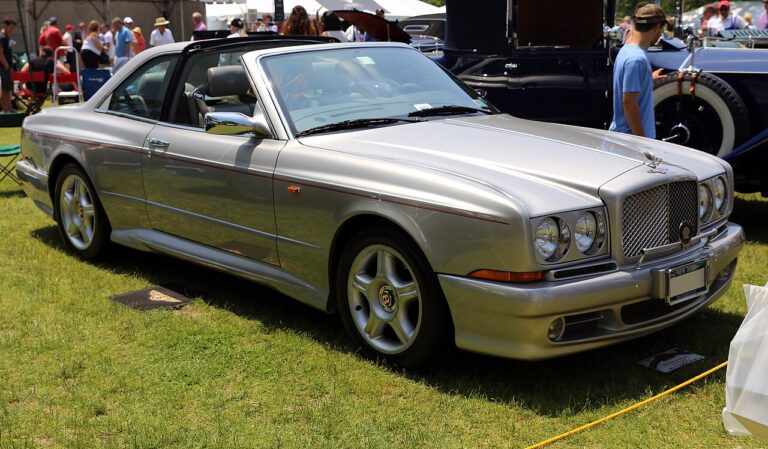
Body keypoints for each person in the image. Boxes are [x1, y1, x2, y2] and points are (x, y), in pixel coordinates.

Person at [609, 4, 667, 139]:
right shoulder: (637, 60)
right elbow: (628, 102)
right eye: (661, 28)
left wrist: (647, 79)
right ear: (657, 27)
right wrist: (642, 141)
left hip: (624, 140)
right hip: (630, 143)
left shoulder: (626, 51)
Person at [0, 19, 16, 112]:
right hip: (4, 66)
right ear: (5, 25)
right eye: (11, 27)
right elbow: (0, 53)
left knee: (8, 88)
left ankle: (10, 108)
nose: (12, 30)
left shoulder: (6, 37)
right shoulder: (2, 37)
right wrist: (6, 65)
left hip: (8, 66)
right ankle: (6, 109)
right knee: (5, 89)